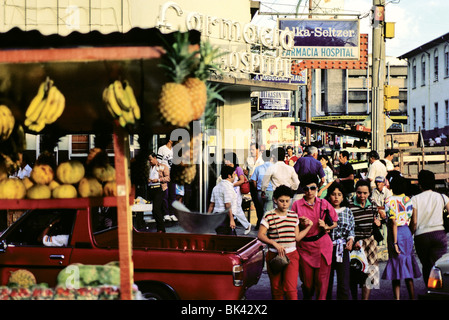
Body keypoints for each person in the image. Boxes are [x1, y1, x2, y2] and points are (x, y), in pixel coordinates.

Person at [257, 185, 313, 300]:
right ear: (275, 200)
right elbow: (260, 235)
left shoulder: (293, 216)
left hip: (292, 255)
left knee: (291, 289)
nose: (284, 204)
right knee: (276, 289)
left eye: (287, 201)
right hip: (274, 255)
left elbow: (297, 238)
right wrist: (274, 243)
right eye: (281, 201)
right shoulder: (269, 215)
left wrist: (309, 226)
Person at [292, 173, 338, 300]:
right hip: (305, 247)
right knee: (307, 284)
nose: (309, 191)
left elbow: (335, 222)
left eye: (312, 188)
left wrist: (326, 227)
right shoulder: (296, 205)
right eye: (306, 189)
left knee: (322, 283)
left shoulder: (324, 203)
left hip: (323, 246)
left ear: (317, 188)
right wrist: (300, 225)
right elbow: (293, 227)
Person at [381, 175, 421, 300]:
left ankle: (397, 298)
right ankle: (412, 297)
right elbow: (413, 221)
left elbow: (393, 222)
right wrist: (410, 233)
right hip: (407, 232)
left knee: (396, 269)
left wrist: (395, 242)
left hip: (395, 234)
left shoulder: (388, 201)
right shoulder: (410, 200)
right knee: (408, 266)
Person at [411, 169, 449, 285]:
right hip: (439, 234)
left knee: (427, 266)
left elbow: (414, 222)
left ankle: (429, 290)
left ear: (420, 183)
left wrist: (411, 233)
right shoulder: (442, 197)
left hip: (421, 236)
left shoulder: (415, 199)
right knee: (440, 265)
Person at [349, 179, 382, 300]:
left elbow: (377, 220)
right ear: (355, 192)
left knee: (370, 273)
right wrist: (354, 240)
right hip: (355, 242)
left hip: (370, 242)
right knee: (354, 274)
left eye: (365, 193)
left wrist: (378, 223)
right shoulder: (350, 205)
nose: (362, 196)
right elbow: (348, 226)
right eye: (359, 193)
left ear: (369, 193)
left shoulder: (373, 204)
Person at [325, 181, 355, 300]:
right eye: (333, 194)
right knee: (327, 282)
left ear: (343, 197)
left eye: (339, 194)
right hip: (327, 249)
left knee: (343, 283)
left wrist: (350, 241)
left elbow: (351, 229)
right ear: (329, 196)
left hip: (343, 249)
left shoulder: (347, 211)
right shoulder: (325, 211)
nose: (336, 197)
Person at [224, 152, 252, 235]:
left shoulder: (238, 169)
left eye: (226, 160)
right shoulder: (226, 168)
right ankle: (235, 226)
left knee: (236, 210)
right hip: (229, 191)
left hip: (236, 192)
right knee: (233, 210)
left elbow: (242, 180)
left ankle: (246, 225)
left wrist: (232, 184)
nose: (225, 162)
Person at [208, 165, 237, 234]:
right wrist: (231, 219)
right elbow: (227, 204)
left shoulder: (216, 187)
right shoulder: (228, 187)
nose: (235, 176)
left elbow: (212, 205)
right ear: (229, 176)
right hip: (225, 218)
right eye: (234, 174)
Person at [147, 152, 170, 233]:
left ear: (155, 158)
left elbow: (167, 178)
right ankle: (159, 228)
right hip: (150, 189)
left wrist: (159, 180)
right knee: (154, 210)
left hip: (159, 188)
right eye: (149, 160)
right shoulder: (148, 168)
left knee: (157, 209)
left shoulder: (162, 166)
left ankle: (161, 229)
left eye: (151, 160)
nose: (150, 161)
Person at [250, 149, 274, 229]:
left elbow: (253, 180)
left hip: (260, 192)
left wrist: (257, 187)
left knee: (260, 209)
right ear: (271, 158)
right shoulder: (274, 167)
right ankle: (265, 228)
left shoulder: (258, 168)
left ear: (263, 158)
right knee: (268, 211)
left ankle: (260, 225)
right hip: (270, 192)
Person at [157, 138, 177, 222]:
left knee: (173, 194)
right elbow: (159, 162)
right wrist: (161, 174)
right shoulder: (162, 149)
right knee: (165, 194)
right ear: (170, 140)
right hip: (164, 173)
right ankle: (166, 213)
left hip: (173, 173)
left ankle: (172, 213)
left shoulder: (175, 150)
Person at [245, 143, 264, 230]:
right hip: (252, 184)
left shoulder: (262, 159)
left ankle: (261, 222)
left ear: (258, 150)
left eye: (253, 149)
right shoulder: (248, 159)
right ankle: (259, 220)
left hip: (260, 184)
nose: (251, 151)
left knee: (262, 204)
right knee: (256, 203)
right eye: (250, 150)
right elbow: (244, 169)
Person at [371, 176, 393, 246]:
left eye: (380, 182)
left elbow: (387, 205)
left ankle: (385, 242)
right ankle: (379, 241)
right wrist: (379, 210)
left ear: (383, 183)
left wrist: (379, 209)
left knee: (385, 224)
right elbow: (372, 204)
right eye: (377, 182)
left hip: (385, 211)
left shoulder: (387, 192)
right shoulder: (374, 191)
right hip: (377, 211)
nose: (378, 184)